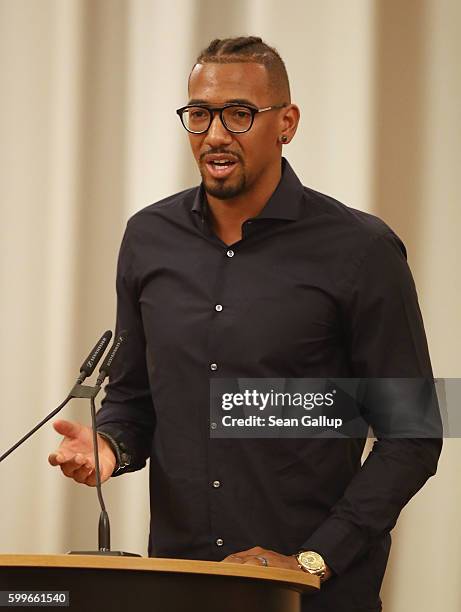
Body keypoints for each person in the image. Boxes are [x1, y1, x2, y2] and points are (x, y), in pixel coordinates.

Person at [48, 36, 442, 612]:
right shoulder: (148, 238)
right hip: (182, 585)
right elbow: (134, 396)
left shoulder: (361, 250)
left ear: (287, 122)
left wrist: (313, 559)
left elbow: (413, 433)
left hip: (317, 594)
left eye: (239, 114)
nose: (214, 135)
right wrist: (110, 445)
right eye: (200, 114)